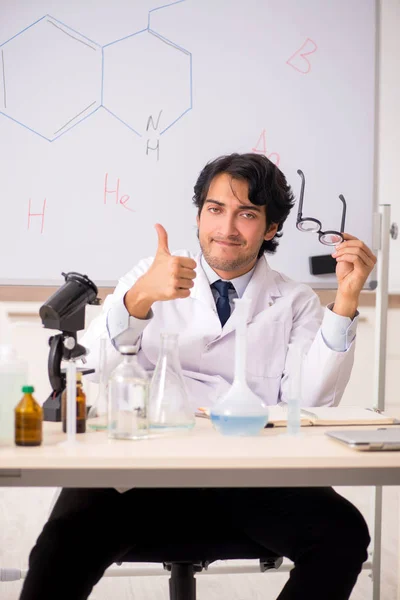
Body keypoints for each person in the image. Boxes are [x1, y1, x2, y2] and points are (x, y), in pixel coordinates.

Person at [20, 153, 376, 600]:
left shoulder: (295, 301)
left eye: (246, 214)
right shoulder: (152, 274)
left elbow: (310, 404)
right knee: (61, 544)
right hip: (139, 474)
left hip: (251, 478)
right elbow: (92, 367)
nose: (226, 228)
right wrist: (141, 297)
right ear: (198, 214)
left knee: (341, 535)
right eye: (215, 209)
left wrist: (344, 300)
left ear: (270, 229)